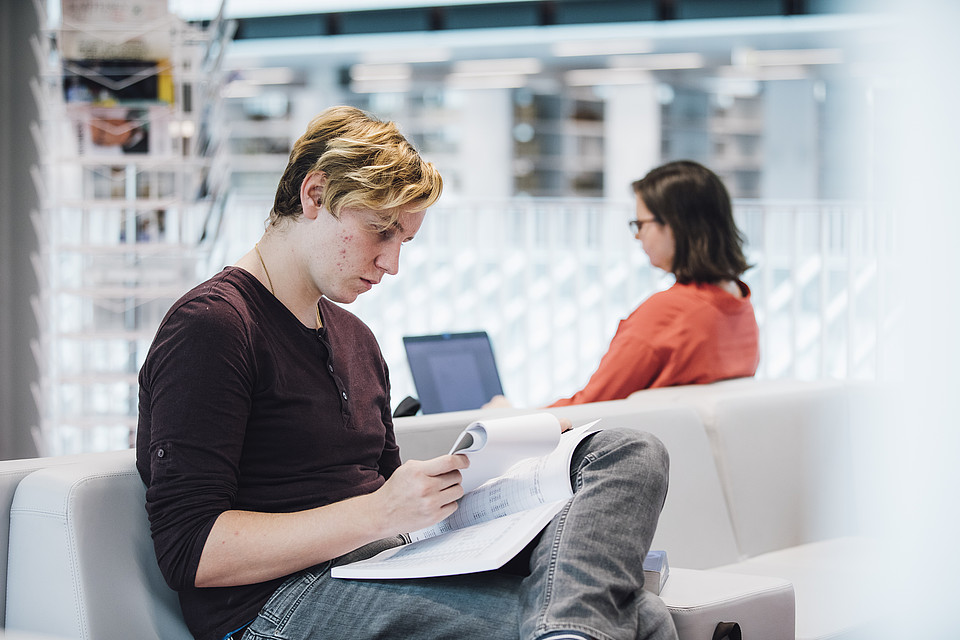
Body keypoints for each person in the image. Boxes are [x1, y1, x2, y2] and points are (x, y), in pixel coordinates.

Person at [136, 105, 676, 640]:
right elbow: (192, 550)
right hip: (276, 607)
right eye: (380, 232)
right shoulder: (213, 326)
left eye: (405, 241)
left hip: (381, 563)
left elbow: (386, 500)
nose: (392, 264)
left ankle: (568, 631)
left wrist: (486, 482)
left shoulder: (355, 339)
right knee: (637, 623)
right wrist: (378, 514)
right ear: (315, 195)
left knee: (627, 453)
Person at [545, 160, 759, 406]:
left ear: (676, 225)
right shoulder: (740, 305)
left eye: (641, 224)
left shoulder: (668, 313)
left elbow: (591, 405)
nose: (637, 236)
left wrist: (511, 416)